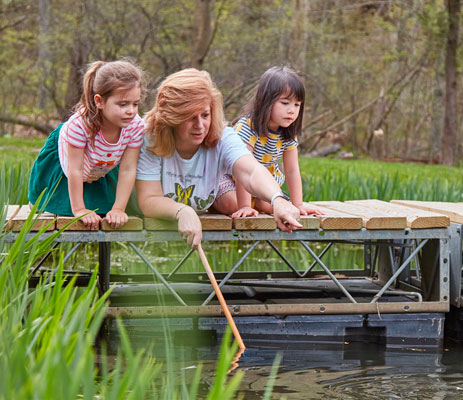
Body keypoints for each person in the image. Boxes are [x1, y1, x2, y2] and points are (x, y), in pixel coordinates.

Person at [136, 68, 303, 248]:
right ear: (172, 117)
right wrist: (182, 211)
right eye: (190, 117)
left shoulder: (222, 136)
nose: (200, 126)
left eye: (205, 115)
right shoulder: (150, 138)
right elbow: (149, 199)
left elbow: (251, 171)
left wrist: (277, 199)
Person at [28, 60, 144, 230]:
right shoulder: (80, 125)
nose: (131, 111)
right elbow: (75, 169)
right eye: (123, 104)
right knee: (63, 209)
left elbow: (127, 169)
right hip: (67, 165)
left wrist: (118, 208)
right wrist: (80, 209)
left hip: (101, 165)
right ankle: (44, 202)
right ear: (99, 101)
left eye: (135, 104)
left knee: (104, 210)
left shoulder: (135, 125)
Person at [232, 66, 322, 218]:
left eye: (297, 104)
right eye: (285, 103)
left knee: (283, 208)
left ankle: (260, 202)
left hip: (264, 186)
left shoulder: (287, 133)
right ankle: (251, 203)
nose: (292, 110)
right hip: (235, 182)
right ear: (265, 101)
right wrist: (245, 206)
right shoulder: (247, 128)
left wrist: (298, 204)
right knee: (231, 205)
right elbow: (242, 170)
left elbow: (292, 170)